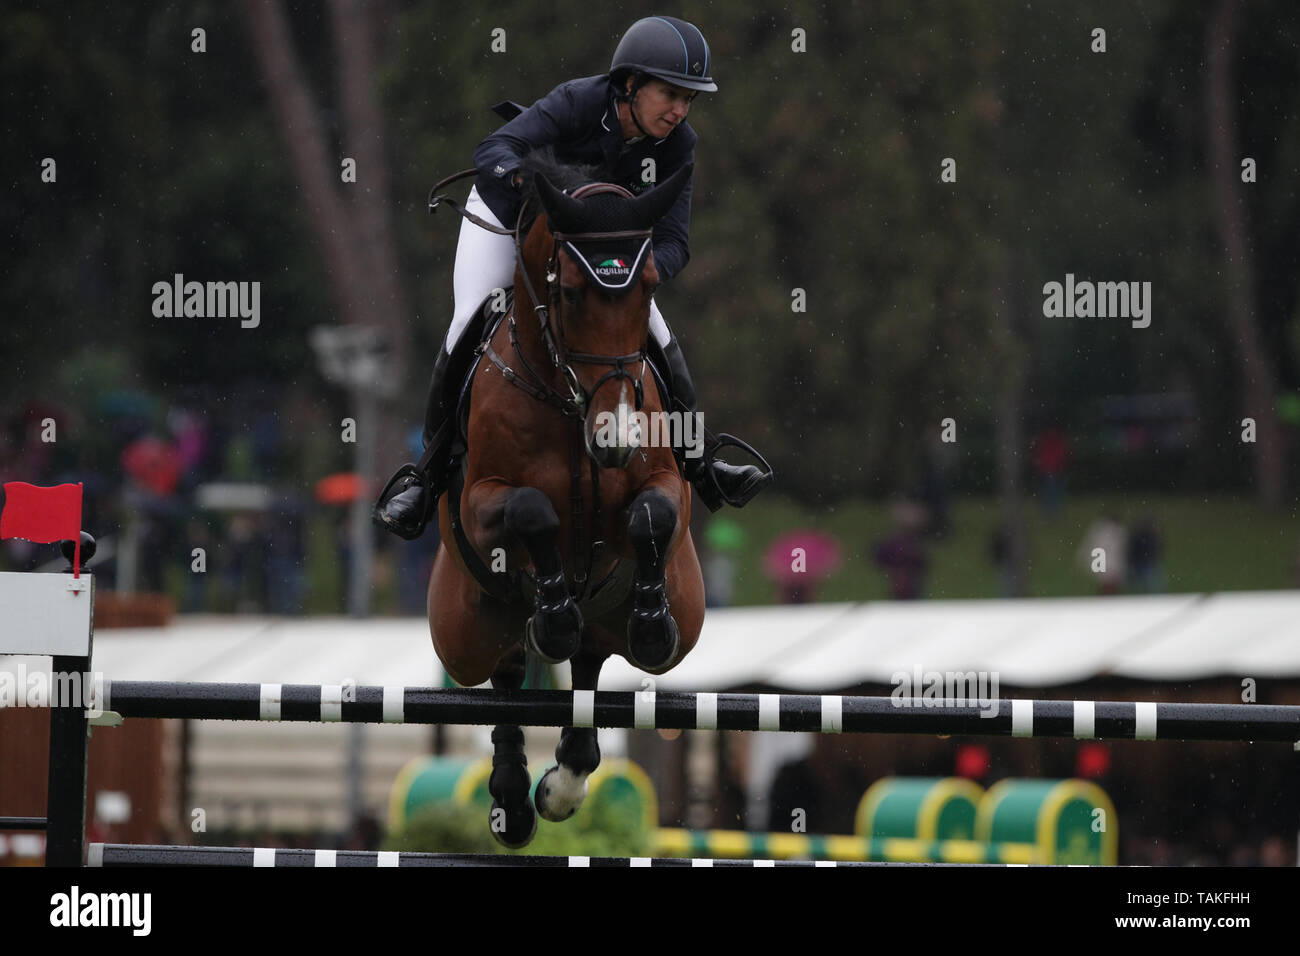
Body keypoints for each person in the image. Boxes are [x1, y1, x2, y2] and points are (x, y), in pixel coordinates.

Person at [374, 16, 771, 540]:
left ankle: (699, 463)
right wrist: (527, 182)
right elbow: (491, 152)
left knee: (661, 338)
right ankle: (425, 479)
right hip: (510, 218)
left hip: (604, 260)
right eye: (670, 94)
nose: (679, 110)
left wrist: (640, 273)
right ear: (629, 84)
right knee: (470, 316)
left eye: (689, 99)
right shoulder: (577, 102)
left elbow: (675, 243)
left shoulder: (678, 146)